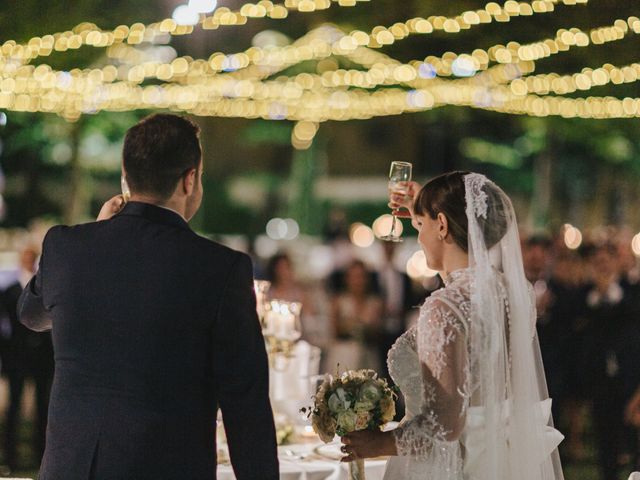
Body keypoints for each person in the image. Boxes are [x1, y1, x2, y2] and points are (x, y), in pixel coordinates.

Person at [18, 114, 279, 480]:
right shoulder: (220, 269)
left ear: (126, 178)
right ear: (189, 180)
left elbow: (31, 315)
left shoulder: (65, 247)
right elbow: (245, 405)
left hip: (70, 469)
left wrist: (96, 232)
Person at [340, 171, 564, 480]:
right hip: (496, 462)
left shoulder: (444, 306)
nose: (418, 237)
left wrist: (378, 442)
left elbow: (443, 425)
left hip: (445, 467)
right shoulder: (516, 293)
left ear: (442, 225)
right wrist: (424, 205)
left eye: (421, 225)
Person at [2, 245, 54, 471]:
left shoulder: (42, 290)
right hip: (18, 356)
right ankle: (11, 454)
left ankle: (40, 453)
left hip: (41, 357)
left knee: (43, 406)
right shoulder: (11, 290)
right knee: (15, 405)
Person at [324, 260, 383, 373]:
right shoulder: (338, 301)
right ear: (347, 278)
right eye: (354, 276)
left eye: (361, 276)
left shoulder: (374, 303)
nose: (358, 281)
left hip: (367, 355)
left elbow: (377, 332)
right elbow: (333, 330)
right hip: (343, 355)